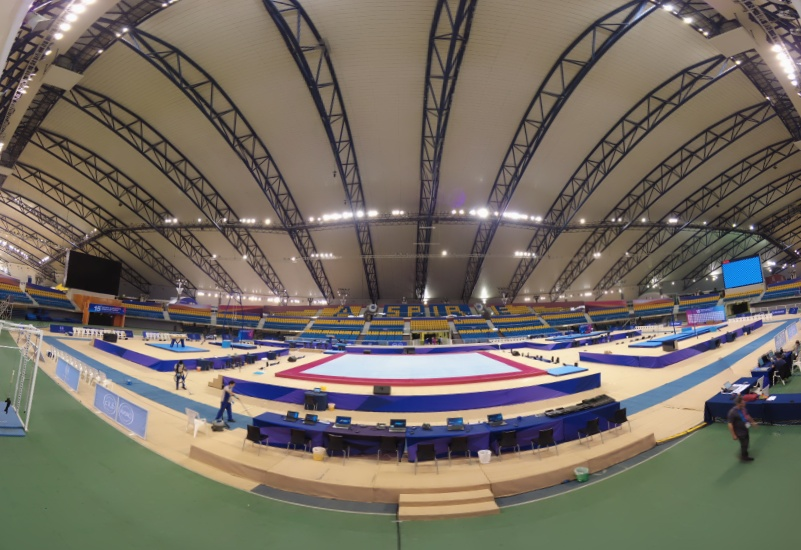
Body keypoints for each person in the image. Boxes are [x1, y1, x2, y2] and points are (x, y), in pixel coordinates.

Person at [727, 395, 757, 461]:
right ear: (738, 403)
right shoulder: (732, 412)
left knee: (746, 442)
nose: (744, 403)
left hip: (745, 429)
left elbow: (747, 416)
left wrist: (752, 422)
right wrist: (733, 435)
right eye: (742, 402)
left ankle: (744, 452)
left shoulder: (743, 409)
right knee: (744, 444)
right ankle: (744, 457)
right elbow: (730, 424)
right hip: (739, 432)